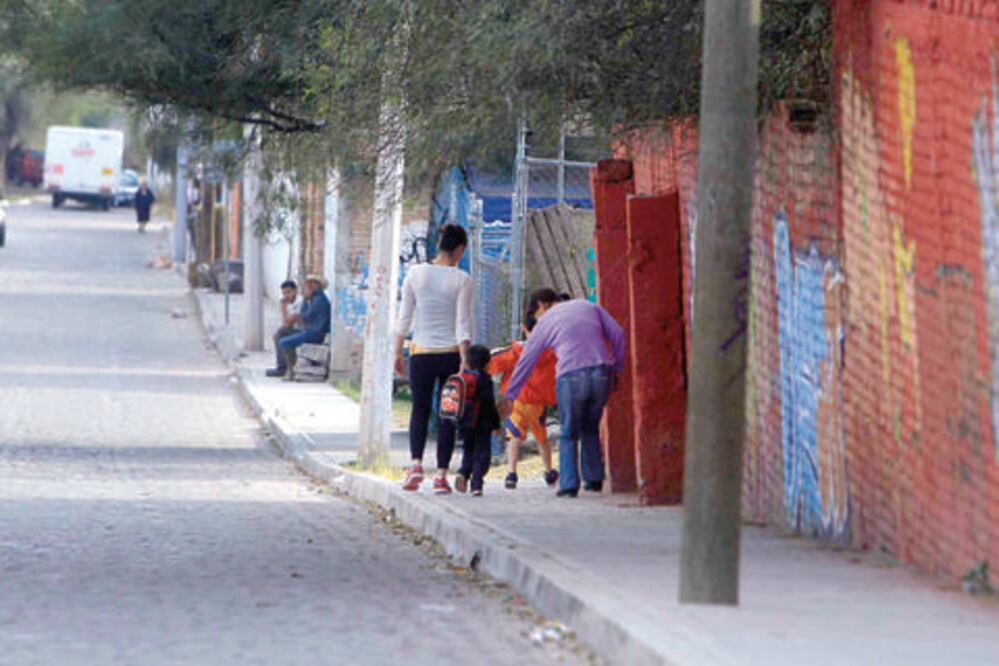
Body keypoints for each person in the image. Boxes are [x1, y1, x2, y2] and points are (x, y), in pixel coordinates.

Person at [503, 288, 626, 498]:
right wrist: (616, 368)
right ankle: (594, 479)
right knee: (590, 427)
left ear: (541, 305)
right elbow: (618, 334)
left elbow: (527, 359)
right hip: (601, 373)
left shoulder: (547, 320)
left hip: (570, 376)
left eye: (535, 314)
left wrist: (511, 393)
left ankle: (569, 484)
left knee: (569, 431)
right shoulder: (589, 306)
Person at [394, 224, 473, 495]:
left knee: (419, 409)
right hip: (450, 355)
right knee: (447, 414)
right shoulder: (462, 279)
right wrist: (465, 360)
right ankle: (441, 475)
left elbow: (403, 318)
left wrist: (396, 351)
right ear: (460, 249)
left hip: (421, 354)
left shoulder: (416, 273)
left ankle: (415, 465)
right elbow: (463, 324)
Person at [487, 315, 558, 489]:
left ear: (523, 328)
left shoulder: (516, 351)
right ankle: (549, 471)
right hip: (538, 403)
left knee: (514, 436)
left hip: (517, 400)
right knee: (541, 437)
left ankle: (511, 473)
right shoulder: (550, 353)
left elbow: (493, 363)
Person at [453, 345, 501, 496]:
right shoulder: (485, 381)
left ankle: (463, 472)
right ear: (488, 363)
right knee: (482, 454)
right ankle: (476, 483)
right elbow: (489, 403)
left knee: (468, 450)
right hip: (482, 424)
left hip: (465, 423)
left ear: (466, 362)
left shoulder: (463, 379)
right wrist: (495, 423)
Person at [277, 275, 331, 381]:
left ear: (316, 286)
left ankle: (291, 371)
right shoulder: (315, 299)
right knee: (281, 333)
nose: (308, 287)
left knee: (284, 342)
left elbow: (304, 317)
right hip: (309, 331)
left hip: (314, 334)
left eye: (311, 285)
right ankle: (282, 367)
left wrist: (305, 301)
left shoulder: (319, 300)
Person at [266, 280, 303, 377]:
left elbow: (287, 323)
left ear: (295, 291)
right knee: (278, 335)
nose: (286, 295)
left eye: (289, 292)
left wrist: (283, 307)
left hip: (303, 330)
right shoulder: (288, 303)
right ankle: (283, 366)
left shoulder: (300, 303)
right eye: (284, 293)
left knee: (279, 336)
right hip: (294, 329)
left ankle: (282, 368)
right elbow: (285, 323)